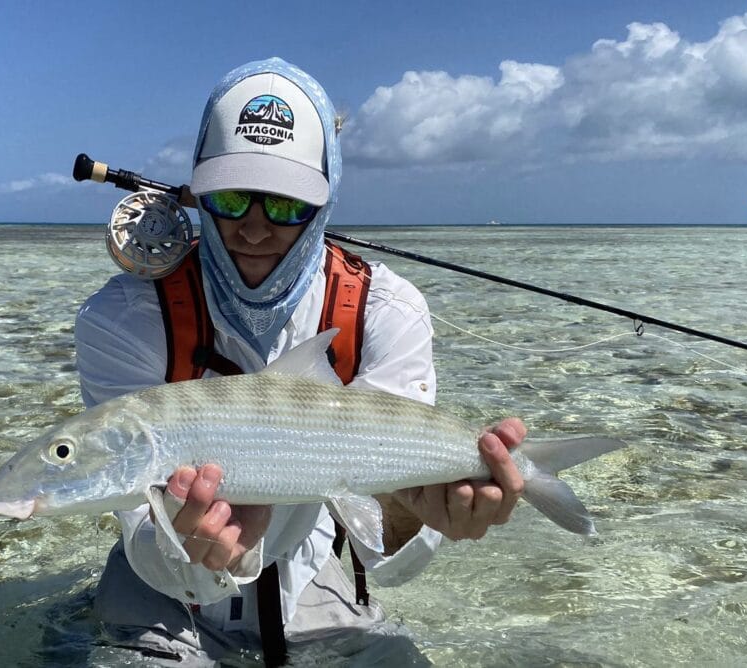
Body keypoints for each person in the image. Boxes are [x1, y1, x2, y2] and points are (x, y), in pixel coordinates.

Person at [74, 57, 527, 666]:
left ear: (327, 199)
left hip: (309, 572)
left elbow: (384, 547)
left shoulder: (384, 310)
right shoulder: (125, 316)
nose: (255, 230)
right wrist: (194, 553)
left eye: (287, 206)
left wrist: (411, 507)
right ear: (200, 192)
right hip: (156, 584)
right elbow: (134, 514)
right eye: (233, 198)